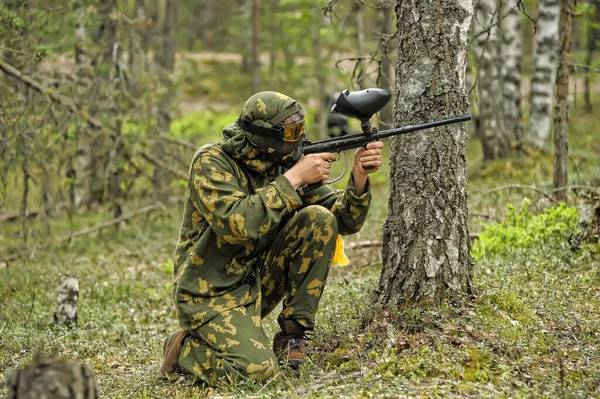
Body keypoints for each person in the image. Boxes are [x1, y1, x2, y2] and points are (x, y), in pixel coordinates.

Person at [159, 91, 384, 386]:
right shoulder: (213, 162)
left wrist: (358, 177)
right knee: (257, 375)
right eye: (291, 132)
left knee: (319, 218)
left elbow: (343, 220)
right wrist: (293, 179)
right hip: (211, 293)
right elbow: (237, 226)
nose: (299, 138)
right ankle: (184, 349)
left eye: (301, 128)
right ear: (263, 135)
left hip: (258, 281)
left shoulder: (283, 160)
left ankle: (293, 337)